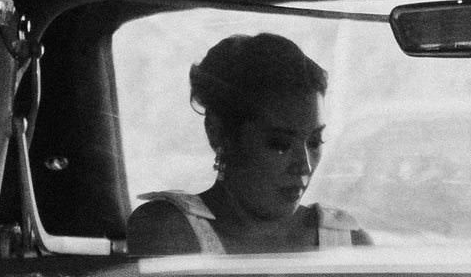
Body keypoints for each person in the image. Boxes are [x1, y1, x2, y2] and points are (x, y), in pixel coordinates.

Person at [126, 33, 367, 255]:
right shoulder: (169, 229)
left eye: (314, 142)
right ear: (219, 133)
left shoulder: (348, 241)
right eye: (280, 144)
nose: (304, 166)